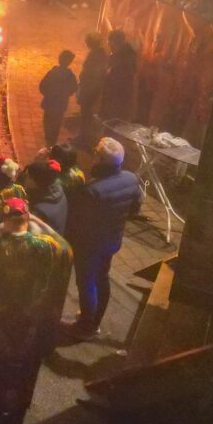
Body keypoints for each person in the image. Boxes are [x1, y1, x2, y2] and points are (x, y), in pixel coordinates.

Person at [0, 198, 72, 424]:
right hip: (31, 321)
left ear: (5, 220)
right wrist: (37, 221)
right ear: (26, 219)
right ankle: (18, 406)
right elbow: (64, 247)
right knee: (25, 364)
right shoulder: (45, 247)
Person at [63, 137, 142, 338]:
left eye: (96, 154)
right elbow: (135, 208)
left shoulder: (93, 190)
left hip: (90, 245)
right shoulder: (131, 179)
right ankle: (95, 318)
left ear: (100, 160)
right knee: (102, 278)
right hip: (112, 241)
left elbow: (78, 221)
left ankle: (86, 326)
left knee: (86, 282)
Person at [38, 49, 79, 146]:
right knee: (56, 122)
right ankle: (53, 140)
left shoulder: (52, 72)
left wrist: (47, 93)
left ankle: (48, 138)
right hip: (60, 104)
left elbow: (42, 86)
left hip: (49, 102)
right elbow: (74, 88)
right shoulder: (70, 76)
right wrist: (66, 94)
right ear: (70, 62)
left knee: (47, 120)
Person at [76, 32, 107, 141]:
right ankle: (84, 136)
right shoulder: (101, 54)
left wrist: (83, 81)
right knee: (87, 113)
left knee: (86, 113)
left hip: (90, 89)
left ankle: (83, 137)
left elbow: (90, 72)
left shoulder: (95, 55)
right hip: (93, 88)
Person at [100, 30, 136, 121]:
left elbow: (115, 71)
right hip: (118, 92)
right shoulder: (127, 52)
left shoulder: (124, 55)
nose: (110, 46)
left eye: (110, 43)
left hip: (118, 93)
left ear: (117, 42)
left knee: (113, 118)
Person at [25, 159, 68, 234]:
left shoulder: (38, 211)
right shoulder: (58, 191)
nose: (25, 178)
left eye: (28, 176)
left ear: (35, 181)